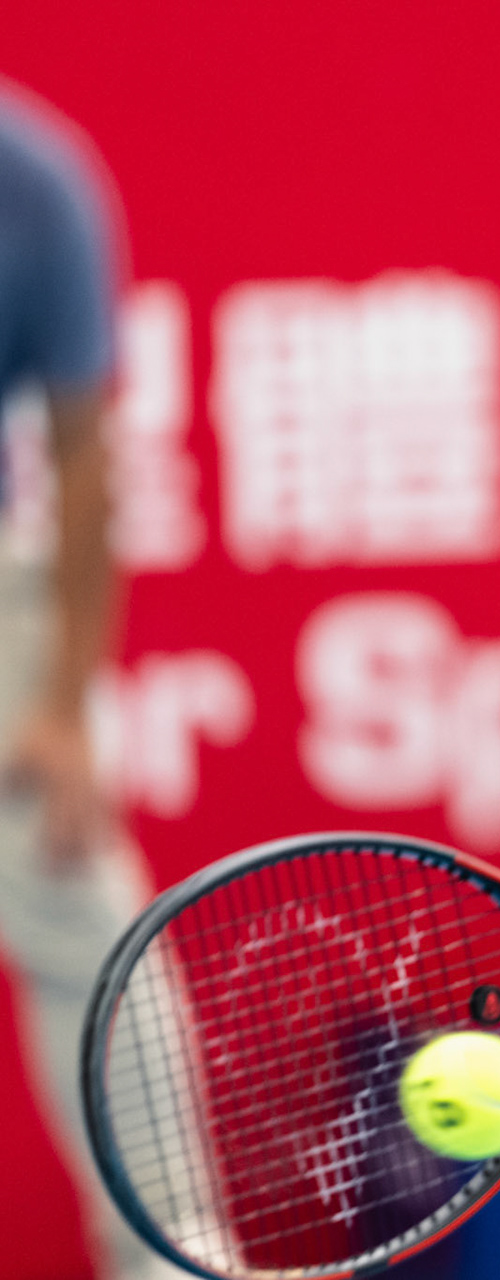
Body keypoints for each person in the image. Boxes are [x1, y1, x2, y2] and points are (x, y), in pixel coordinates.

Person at [0, 77, 180, 1280]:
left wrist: (64, 708)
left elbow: (83, 458)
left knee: (99, 943)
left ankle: (170, 1260)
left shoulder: (36, 182)